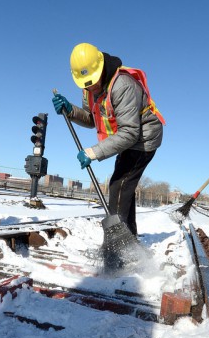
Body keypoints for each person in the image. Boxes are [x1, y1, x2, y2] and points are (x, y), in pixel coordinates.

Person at [52, 43, 165, 236]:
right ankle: (128, 239)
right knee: (121, 187)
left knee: (119, 186)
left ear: (101, 67)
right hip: (127, 138)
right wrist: (71, 111)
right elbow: (91, 118)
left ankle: (118, 245)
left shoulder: (122, 85)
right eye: (86, 83)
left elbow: (130, 132)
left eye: (93, 81)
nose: (92, 87)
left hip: (144, 138)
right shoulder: (88, 86)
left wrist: (94, 152)